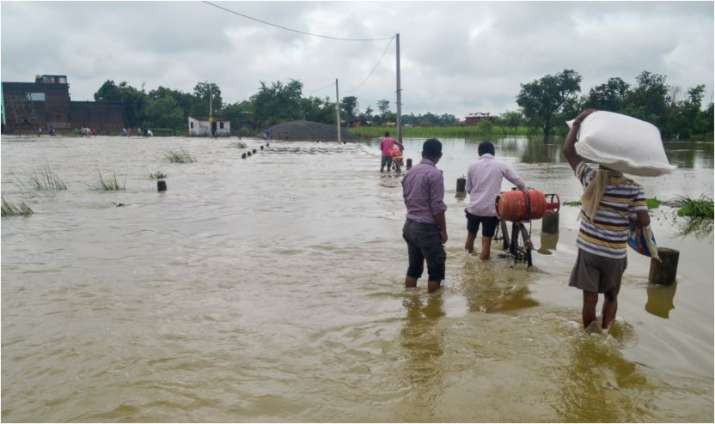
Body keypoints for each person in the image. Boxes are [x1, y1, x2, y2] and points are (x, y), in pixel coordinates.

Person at [563, 109, 650, 331]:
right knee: (611, 297)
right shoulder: (634, 189)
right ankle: (606, 333)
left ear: (601, 159)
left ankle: (589, 337)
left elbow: (568, 152)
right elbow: (643, 220)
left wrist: (578, 123)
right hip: (615, 254)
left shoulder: (591, 178)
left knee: (589, 299)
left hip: (589, 251)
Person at [464, 141, 526, 260]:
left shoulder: (472, 166)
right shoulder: (500, 165)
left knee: (470, 236)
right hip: (491, 210)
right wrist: (524, 191)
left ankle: (467, 262)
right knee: (486, 241)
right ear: (493, 152)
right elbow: (519, 183)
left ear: (479, 152)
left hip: (474, 209)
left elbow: (468, 189)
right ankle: (484, 270)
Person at [402, 138, 447, 293]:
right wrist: (443, 230)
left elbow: (406, 198)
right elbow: (437, 207)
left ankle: (411, 306)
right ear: (440, 155)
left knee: (414, 268)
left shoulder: (410, 172)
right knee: (436, 270)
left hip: (409, 225)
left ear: (422, 153)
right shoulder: (435, 174)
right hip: (426, 228)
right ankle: (433, 311)